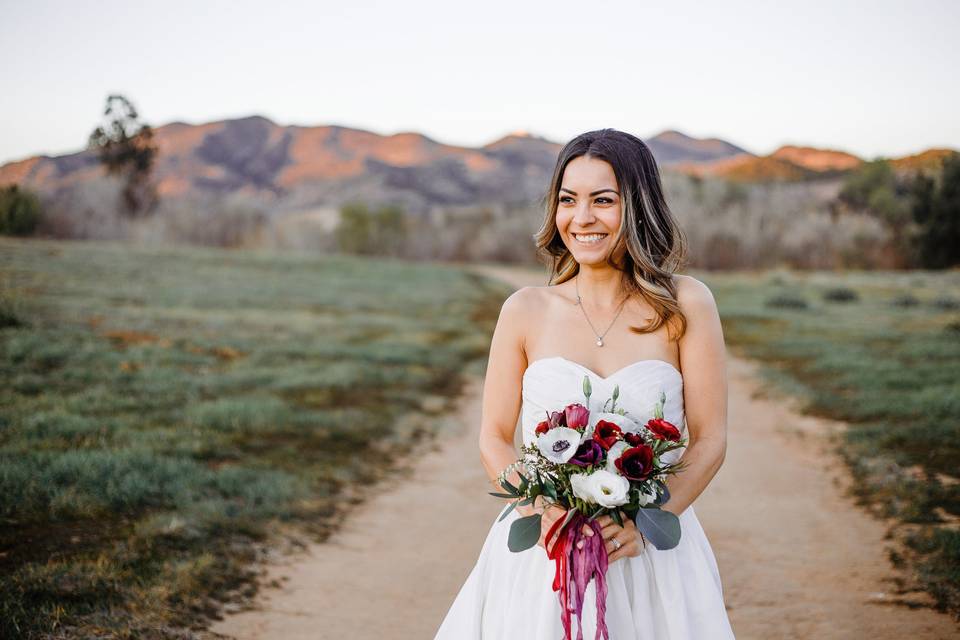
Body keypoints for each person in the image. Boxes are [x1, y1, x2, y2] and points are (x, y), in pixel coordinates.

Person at [433, 128, 737, 639]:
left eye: (604, 200)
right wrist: (544, 512)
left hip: (647, 556)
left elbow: (711, 439)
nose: (582, 218)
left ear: (638, 206)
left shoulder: (687, 303)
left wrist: (644, 522)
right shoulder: (524, 310)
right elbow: (493, 437)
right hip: (543, 555)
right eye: (568, 200)